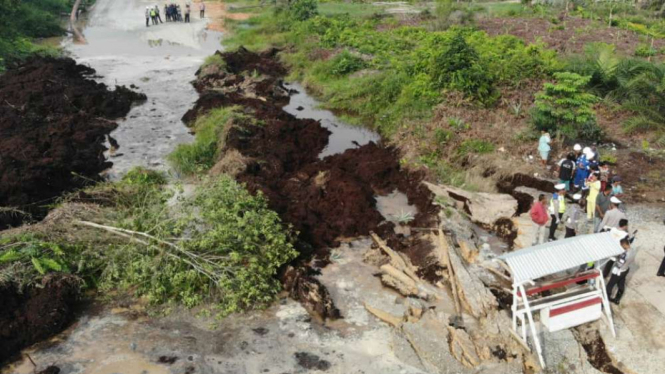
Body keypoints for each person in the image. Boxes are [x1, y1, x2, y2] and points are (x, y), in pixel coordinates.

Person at [606, 238, 635, 305]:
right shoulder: (633, 250)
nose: (621, 247)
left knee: (610, 285)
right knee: (621, 284)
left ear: (624, 244)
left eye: (621, 245)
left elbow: (619, 264)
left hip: (619, 271)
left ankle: (607, 298)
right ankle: (617, 299)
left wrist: (616, 258)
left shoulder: (624, 254)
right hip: (626, 269)